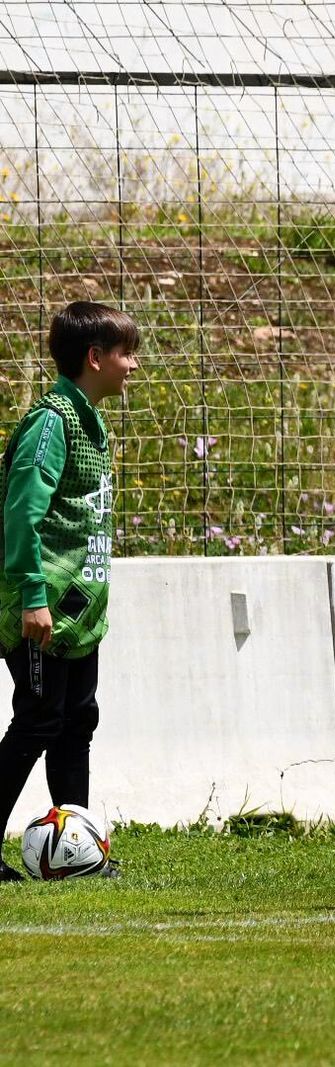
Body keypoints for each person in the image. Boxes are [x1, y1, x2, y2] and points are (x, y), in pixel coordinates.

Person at [0, 301, 139, 881]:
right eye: (126, 353)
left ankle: (75, 847)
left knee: (76, 721)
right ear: (95, 357)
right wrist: (32, 594)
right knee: (37, 719)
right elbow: (21, 513)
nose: (133, 366)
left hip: (79, 615)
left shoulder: (89, 421)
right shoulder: (52, 422)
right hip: (43, 610)